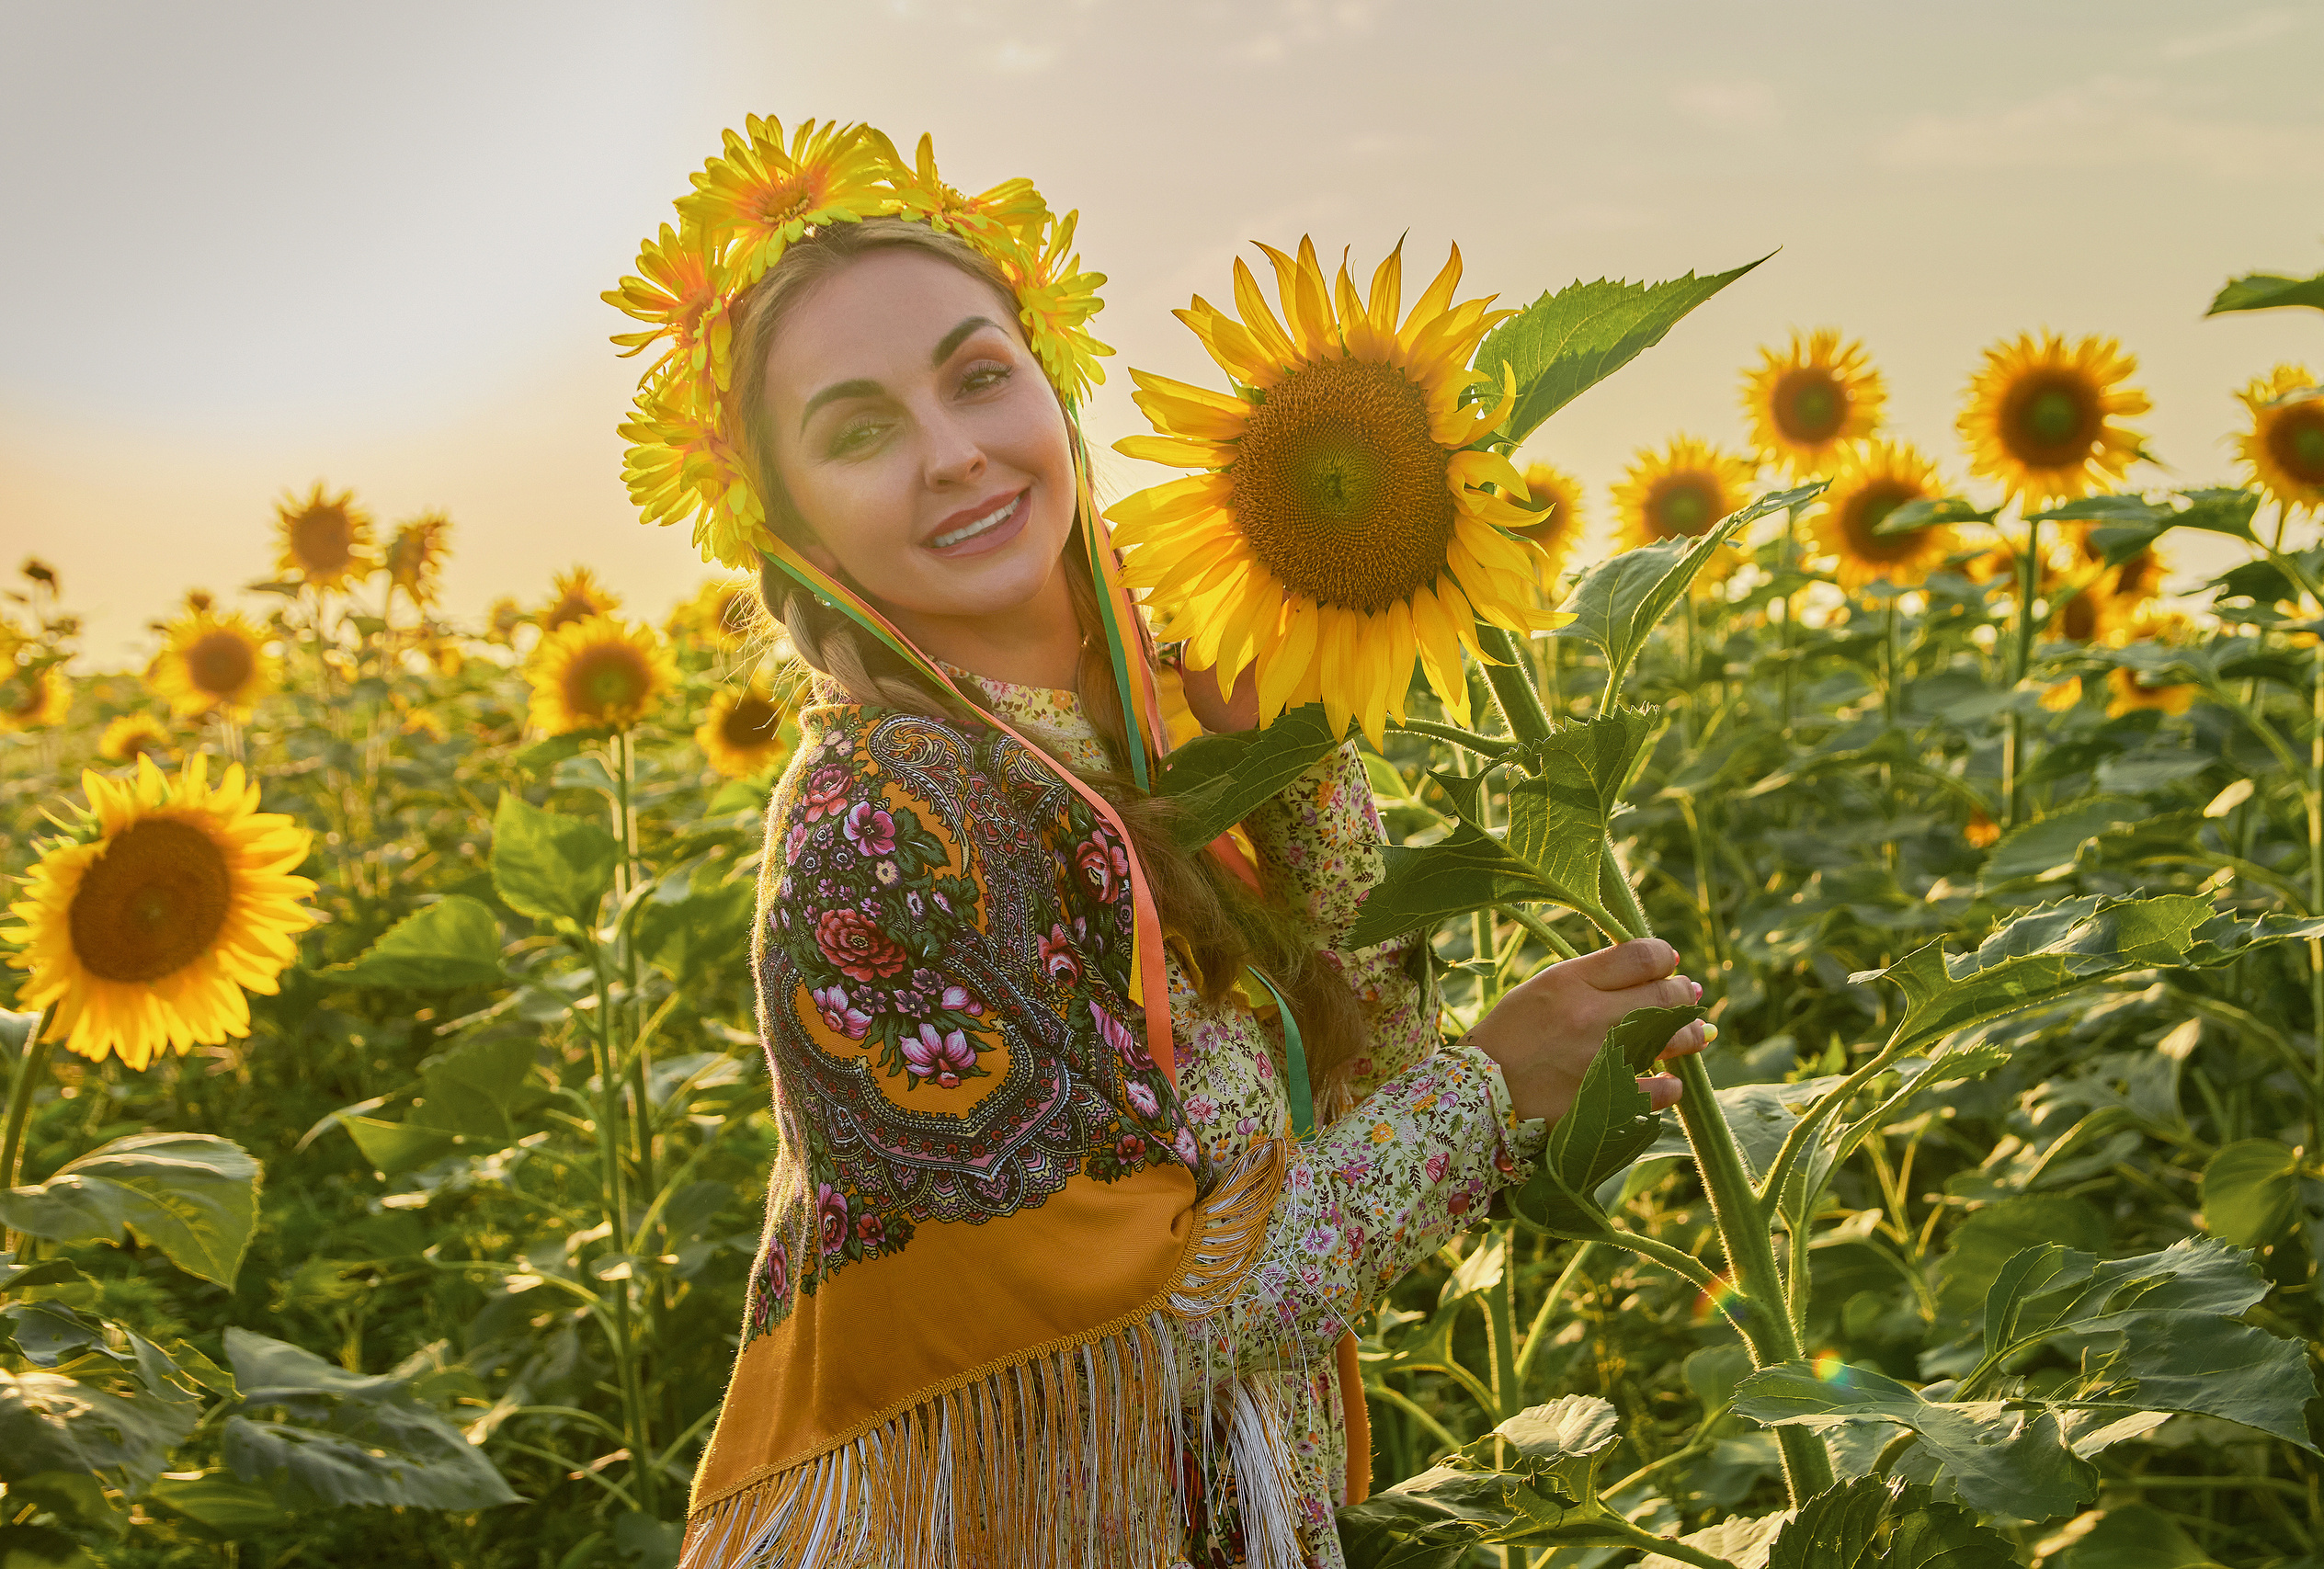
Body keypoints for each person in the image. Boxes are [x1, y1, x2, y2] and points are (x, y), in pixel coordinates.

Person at [609, 119, 1712, 1569]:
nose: (953, 455)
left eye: (978, 376)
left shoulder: (1116, 731)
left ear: (1051, 391)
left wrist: (1294, 769)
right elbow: (1144, 1323)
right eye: (861, 427)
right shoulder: (883, 827)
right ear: (787, 517)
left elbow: (1355, 1080)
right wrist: (1497, 1095)